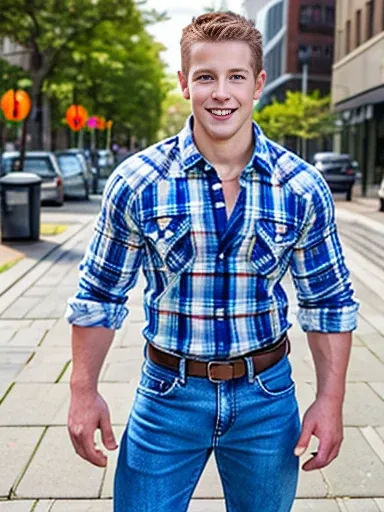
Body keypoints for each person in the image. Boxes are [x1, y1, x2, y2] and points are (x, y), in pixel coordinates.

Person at [66, 11, 359, 512]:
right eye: (206, 77)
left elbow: (329, 302)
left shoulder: (302, 186)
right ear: (184, 84)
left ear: (258, 83)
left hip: (268, 402)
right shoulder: (138, 181)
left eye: (235, 76)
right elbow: (99, 293)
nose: (221, 92)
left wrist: (330, 402)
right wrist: (82, 391)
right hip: (166, 398)